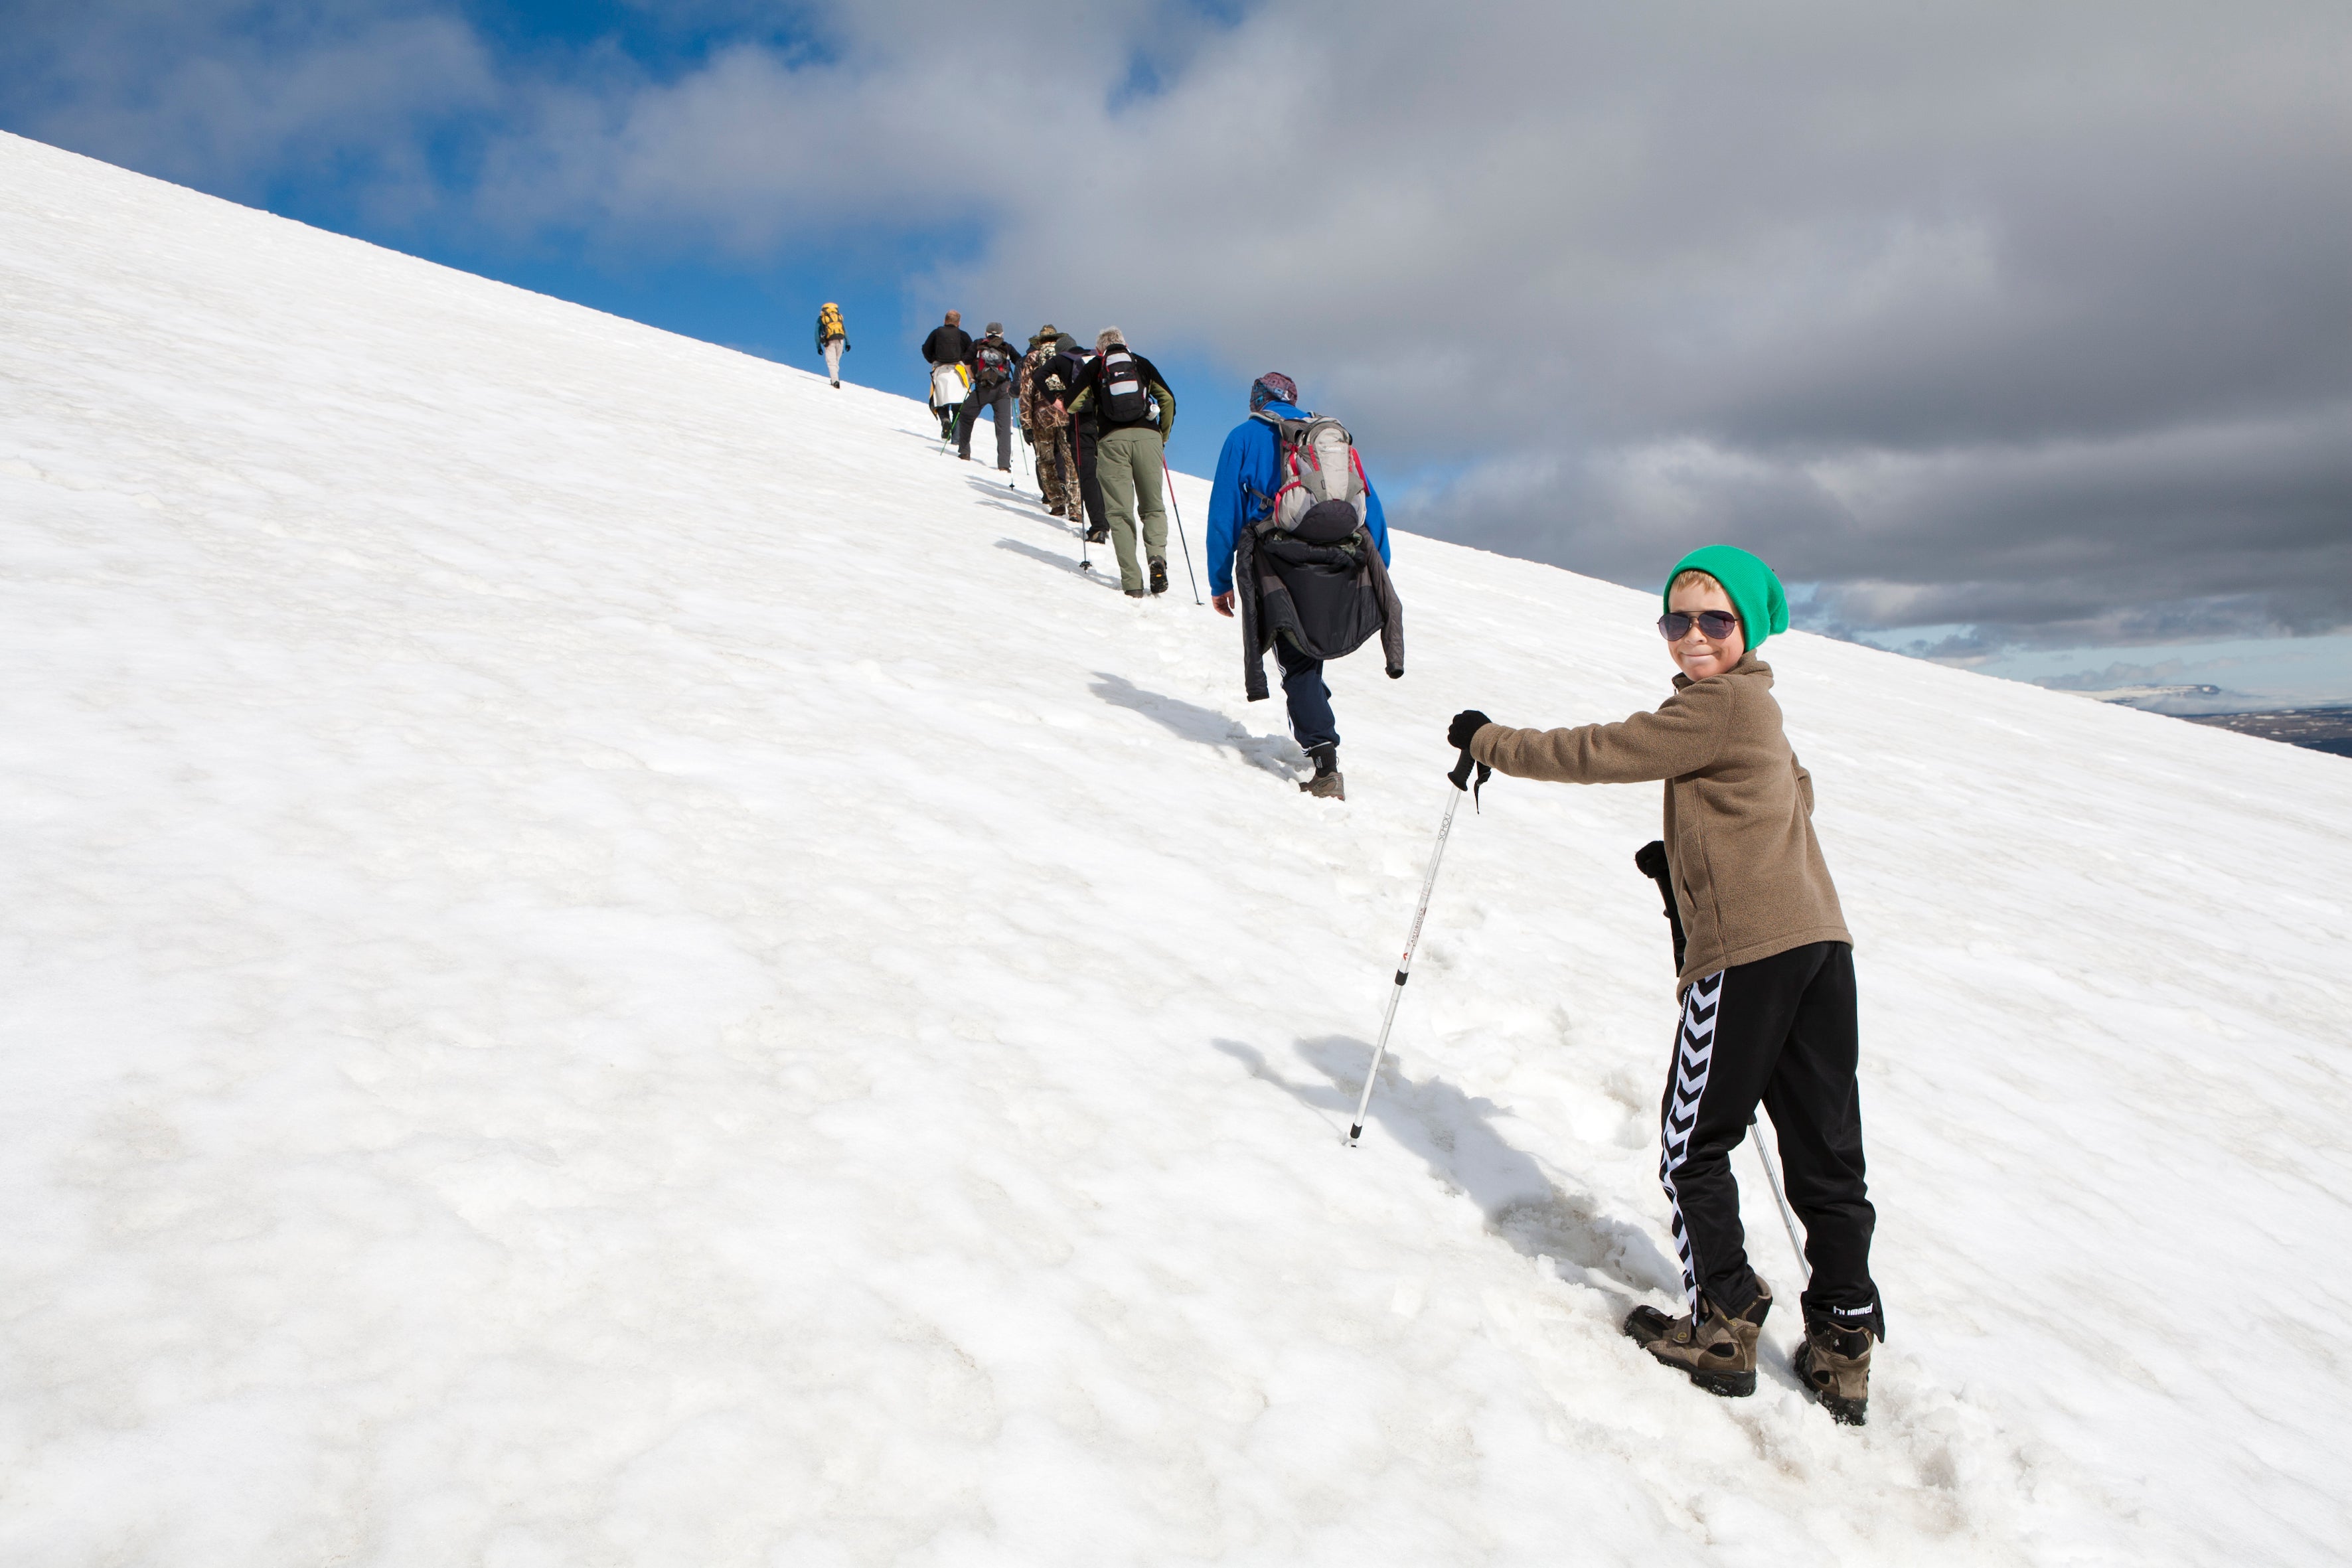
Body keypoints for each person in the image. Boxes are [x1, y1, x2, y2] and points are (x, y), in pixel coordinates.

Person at [1445, 545, 1883, 1425]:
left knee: (1692, 1142)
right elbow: (1787, 808)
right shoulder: (1760, 709)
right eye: (1674, 619)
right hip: (1818, 951)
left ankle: (1721, 1320)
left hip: (1748, 957)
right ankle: (1841, 1344)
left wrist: (1485, 739)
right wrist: (1687, 864)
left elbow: (1601, 751)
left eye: (1712, 619)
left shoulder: (1714, 707)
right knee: (1825, 1157)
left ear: (1746, 628)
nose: (1691, 636)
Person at [1208, 373, 1399, 800]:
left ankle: (1325, 762)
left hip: (1279, 562)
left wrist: (1221, 580)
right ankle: (1316, 728)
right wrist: (1378, 567)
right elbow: (1370, 501)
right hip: (1338, 562)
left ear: (1257, 400)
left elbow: (1225, 510)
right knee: (1307, 659)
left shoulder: (1244, 436)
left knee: (1296, 662)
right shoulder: (1328, 438)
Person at [1063, 328, 1175, 597]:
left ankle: (1133, 584)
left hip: (1112, 443)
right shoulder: (1141, 363)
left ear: (1100, 351)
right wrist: (1163, 436)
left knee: (1120, 513)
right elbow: (1168, 399)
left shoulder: (1095, 368)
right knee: (1153, 508)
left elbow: (1071, 405)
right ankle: (1157, 558)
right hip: (1148, 439)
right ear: (1126, 345)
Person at [1020, 324, 1078, 518]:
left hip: (1041, 416)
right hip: (1066, 412)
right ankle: (1076, 509)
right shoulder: (1067, 356)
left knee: (1046, 461)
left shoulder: (1032, 358)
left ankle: (1057, 503)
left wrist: (1026, 423)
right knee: (1070, 461)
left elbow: (1026, 391)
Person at [957, 322, 1022, 471]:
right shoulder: (1007, 347)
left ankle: (964, 452)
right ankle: (1004, 465)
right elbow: (1020, 363)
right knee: (1004, 427)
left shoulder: (979, 344)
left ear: (986, 334)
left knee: (966, 414)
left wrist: (973, 377)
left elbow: (966, 360)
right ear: (1002, 334)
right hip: (1004, 389)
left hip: (983, 388)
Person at [921, 310, 973, 439]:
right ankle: (956, 440)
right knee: (958, 406)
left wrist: (933, 360)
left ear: (945, 321)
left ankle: (945, 420)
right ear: (959, 323)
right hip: (958, 372)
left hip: (940, 370)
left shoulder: (936, 333)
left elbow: (925, 349)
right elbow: (971, 354)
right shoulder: (963, 336)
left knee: (940, 401)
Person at [814, 301, 850, 388]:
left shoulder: (821, 318)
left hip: (829, 342)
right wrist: (848, 343)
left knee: (832, 363)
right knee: (836, 362)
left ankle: (835, 381)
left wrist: (819, 347)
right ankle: (835, 378)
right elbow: (844, 330)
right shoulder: (838, 317)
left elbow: (816, 333)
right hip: (841, 340)